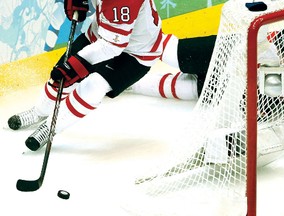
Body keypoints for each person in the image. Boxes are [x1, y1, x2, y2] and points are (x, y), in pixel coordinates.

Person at [7, 0, 216, 151]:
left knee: (93, 87)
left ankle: (50, 127)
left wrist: (77, 65)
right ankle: (39, 112)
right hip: (100, 36)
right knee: (59, 77)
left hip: (136, 54)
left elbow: (111, 48)